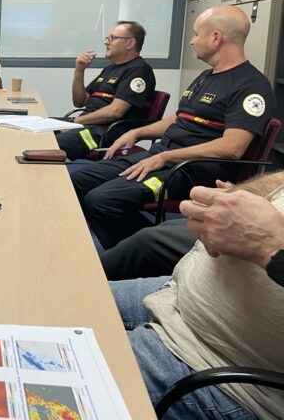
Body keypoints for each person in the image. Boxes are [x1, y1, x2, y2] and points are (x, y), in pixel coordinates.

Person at [72, 6, 274, 249]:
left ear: (216, 38)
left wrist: (167, 156)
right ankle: (111, 248)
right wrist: (136, 132)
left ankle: (152, 252)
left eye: (196, 34)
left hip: (189, 171)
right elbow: (179, 119)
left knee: (103, 200)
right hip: (160, 157)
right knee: (77, 180)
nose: (191, 41)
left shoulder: (251, 85)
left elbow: (232, 147)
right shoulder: (207, 76)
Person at [111, 171, 284, 419]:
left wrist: (271, 245)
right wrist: (239, 197)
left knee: (57, 377)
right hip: (182, 293)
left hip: (219, 367)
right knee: (65, 296)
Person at [57, 21, 155, 161]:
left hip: (103, 133)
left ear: (130, 43)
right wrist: (79, 70)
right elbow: (79, 101)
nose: (106, 42)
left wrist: (75, 121)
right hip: (86, 124)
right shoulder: (110, 69)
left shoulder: (139, 70)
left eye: (112, 38)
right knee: (35, 130)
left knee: (46, 142)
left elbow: (115, 111)